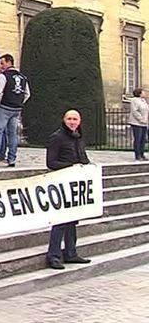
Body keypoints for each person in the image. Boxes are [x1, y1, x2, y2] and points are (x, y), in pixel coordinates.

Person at [45, 109, 92, 270]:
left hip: (76, 184)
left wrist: (88, 166)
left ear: (79, 121)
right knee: (60, 221)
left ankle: (71, 253)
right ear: (64, 120)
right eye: (69, 119)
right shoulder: (57, 137)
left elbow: (82, 157)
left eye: (75, 119)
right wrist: (71, 166)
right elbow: (51, 162)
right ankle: (54, 255)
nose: (72, 122)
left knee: (73, 219)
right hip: (61, 183)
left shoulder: (79, 137)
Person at [0, 54, 30, 168]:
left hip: (5, 107)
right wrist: (20, 102)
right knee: (12, 134)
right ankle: (12, 159)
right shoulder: (23, 77)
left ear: (9, 62)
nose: (1, 65)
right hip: (16, 108)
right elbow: (27, 93)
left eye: (2, 63)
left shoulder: (4, 76)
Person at [128, 88, 149, 161]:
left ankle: (142, 154)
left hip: (144, 123)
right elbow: (135, 112)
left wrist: (146, 120)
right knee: (138, 139)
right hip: (136, 123)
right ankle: (138, 155)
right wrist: (141, 119)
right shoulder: (134, 100)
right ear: (139, 93)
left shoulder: (143, 101)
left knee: (143, 139)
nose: (145, 93)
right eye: (143, 92)